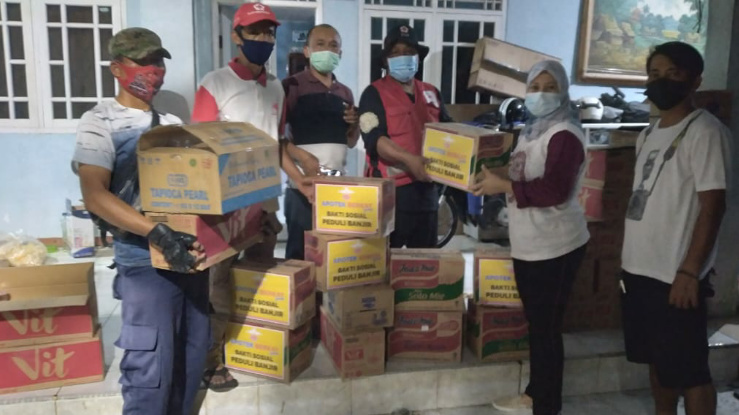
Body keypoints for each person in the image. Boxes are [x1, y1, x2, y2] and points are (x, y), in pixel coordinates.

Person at [72, 28, 209, 415]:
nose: (154, 70)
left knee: (191, 355)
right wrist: (157, 233)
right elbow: (95, 195)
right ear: (117, 68)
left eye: (158, 61)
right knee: (151, 369)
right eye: (143, 61)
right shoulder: (99, 122)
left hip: (188, 258)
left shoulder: (172, 121)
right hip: (144, 262)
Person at [191, 2, 315, 391]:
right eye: (255, 31)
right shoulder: (215, 83)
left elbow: (276, 144)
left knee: (258, 276)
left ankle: (253, 347)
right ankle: (212, 360)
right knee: (220, 282)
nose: (263, 38)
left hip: (264, 202)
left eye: (268, 32)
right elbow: (202, 147)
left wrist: (299, 181)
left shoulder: (275, 86)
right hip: (226, 207)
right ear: (237, 36)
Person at [471, 60, 590, 415]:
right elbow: (522, 172)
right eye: (534, 87)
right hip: (530, 244)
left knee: (546, 329)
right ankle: (535, 394)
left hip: (557, 245)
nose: (540, 94)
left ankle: (546, 405)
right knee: (538, 326)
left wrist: (503, 185)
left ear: (563, 91)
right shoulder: (533, 129)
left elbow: (555, 189)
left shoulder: (564, 133)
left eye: (550, 87)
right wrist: (494, 174)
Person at [620, 42, 731, 415]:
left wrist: (689, 271)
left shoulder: (705, 132)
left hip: (676, 275)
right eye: (654, 74)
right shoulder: (647, 134)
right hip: (639, 270)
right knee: (657, 362)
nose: (661, 80)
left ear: (694, 80)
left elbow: (713, 206)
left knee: (691, 370)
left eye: (673, 73)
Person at [358, 24, 452, 248]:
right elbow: (374, 139)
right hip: (390, 193)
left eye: (409, 52)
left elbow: (450, 131)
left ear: (418, 57)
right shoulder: (373, 93)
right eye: (396, 53)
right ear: (386, 60)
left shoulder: (431, 92)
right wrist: (410, 160)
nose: (403, 57)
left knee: (424, 261)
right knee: (387, 260)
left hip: (427, 192)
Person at [282, 23, 359, 260]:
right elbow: (276, 138)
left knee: (331, 255)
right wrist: (302, 157)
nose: (327, 50)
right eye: (320, 44)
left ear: (340, 53)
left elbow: (350, 142)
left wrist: (355, 123)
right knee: (300, 255)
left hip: (337, 188)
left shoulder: (344, 92)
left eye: (333, 45)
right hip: (302, 188)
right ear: (307, 51)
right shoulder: (291, 86)